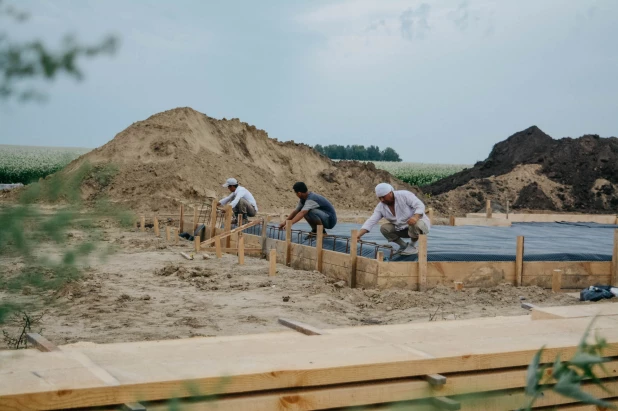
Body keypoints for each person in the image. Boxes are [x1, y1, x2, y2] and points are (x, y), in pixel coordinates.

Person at [358, 183, 430, 255]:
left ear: (390, 193)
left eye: (383, 197)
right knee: (384, 228)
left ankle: (412, 245)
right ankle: (403, 246)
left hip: (420, 227)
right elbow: (371, 221)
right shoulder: (381, 207)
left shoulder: (404, 195)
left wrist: (415, 217)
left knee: (416, 223)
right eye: (379, 198)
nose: (382, 200)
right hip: (402, 229)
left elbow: (419, 205)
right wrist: (358, 235)